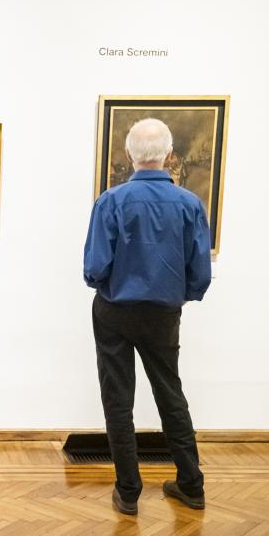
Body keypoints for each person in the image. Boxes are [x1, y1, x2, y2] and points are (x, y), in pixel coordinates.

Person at [83, 118, 212, 515]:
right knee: (170, 392)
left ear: (129, 155)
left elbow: (93, 268)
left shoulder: (111, 201)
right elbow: (200, 274)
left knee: (118, 399)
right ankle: (190, 484)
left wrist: (114, 284)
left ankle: (129, 490)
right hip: (163, 313)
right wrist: (178, 296)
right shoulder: (191, 205)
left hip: (115, 311)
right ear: (169, 156)